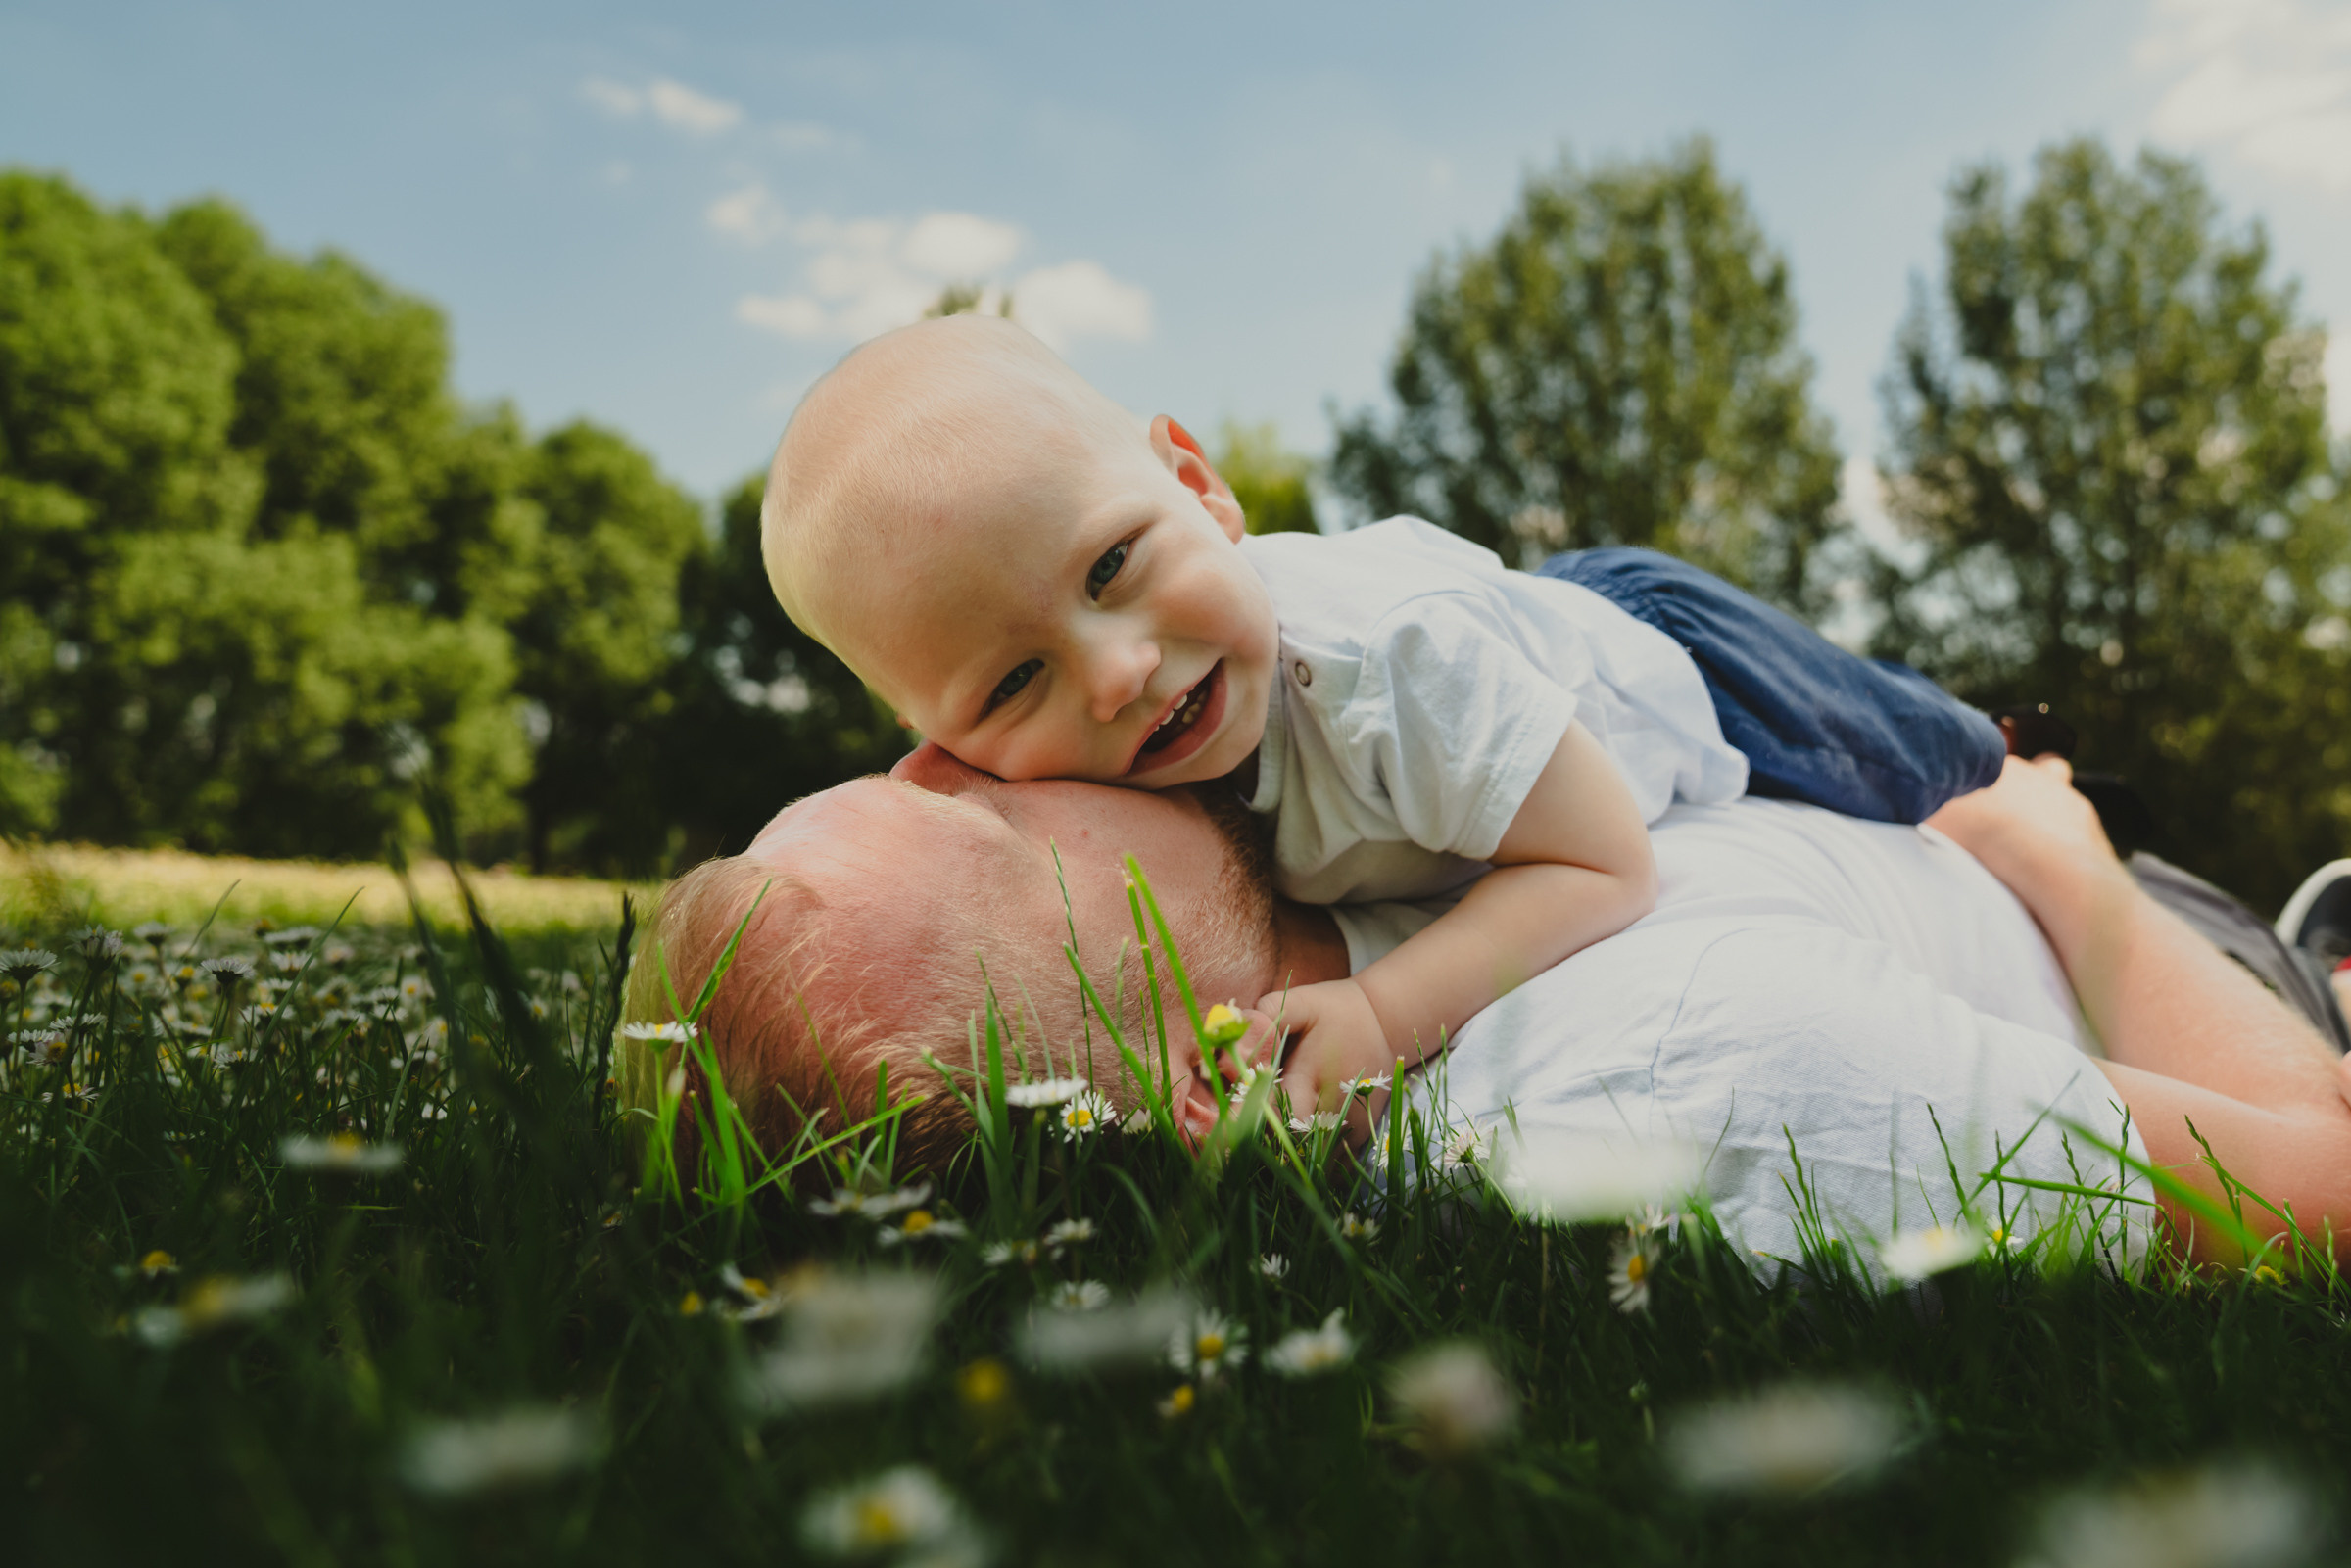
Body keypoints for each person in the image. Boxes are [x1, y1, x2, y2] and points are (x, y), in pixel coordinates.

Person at [754, 315, 2002, 1129]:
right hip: (1505, 666)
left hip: (1667, 652)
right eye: (1011, 683)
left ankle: (2041, 763)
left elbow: (1606, 860)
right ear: (941, 754)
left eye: (1111, 566)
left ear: (1200, 484)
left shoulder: (1387, 669)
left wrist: (1384, 1013)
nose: (1119, 672)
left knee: (1919, 762)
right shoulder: (1126, 764)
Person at [623, 745, 2351, 1269]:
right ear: (1191, 1079)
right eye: (974, 813)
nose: (960, 743)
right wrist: (2081, 871)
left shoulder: (1351, 878)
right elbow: (2325, 1196)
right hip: (2170, 955)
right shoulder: (1705, 1089)